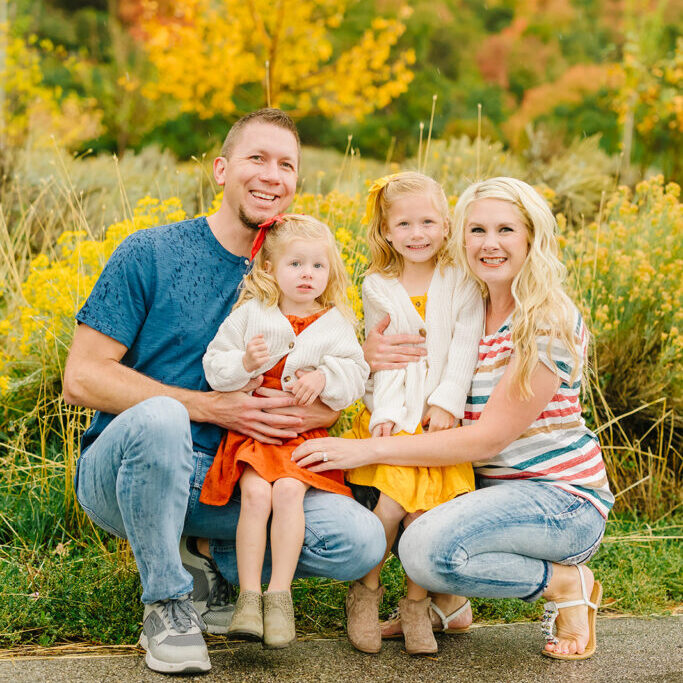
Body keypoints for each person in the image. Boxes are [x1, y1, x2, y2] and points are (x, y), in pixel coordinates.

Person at [62, 109, 385, 674]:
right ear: (221, 169)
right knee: (163, 416)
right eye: (256, 158)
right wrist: (212, 406)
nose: (271, 175)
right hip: (130, 471)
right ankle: (167, 601)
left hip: (237, 475)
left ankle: (212, 566)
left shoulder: (303, 270)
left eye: (286, 164)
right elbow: (81, 378)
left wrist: (326, 396)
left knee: (357, 540)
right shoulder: (152, 252)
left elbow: (331, 375)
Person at [293, 176, 614, 661]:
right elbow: (404, 368)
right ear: (459, 236)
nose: (489, 244)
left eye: (505, 230)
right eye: (477, 230)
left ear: (531, 237)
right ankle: (449, 605)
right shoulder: (466, 301)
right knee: (405, 496)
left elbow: (486, 440)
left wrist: (368, 448)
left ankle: (567, 582)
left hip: (558, 499)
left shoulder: (544, 318)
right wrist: (370, 356)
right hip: (488, 490)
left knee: (425, 548)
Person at [199, 214, 369, 649]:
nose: (308, 275)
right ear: (270, 269)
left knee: (289, 494)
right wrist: (245, 364)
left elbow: (356, 373)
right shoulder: (251, 314)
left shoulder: (334, 322)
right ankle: (248, 599)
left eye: (318, 266)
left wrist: (326, 379)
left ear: (330, 272)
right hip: (256, 432)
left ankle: (279, 597)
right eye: (296, 264)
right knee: (256, 495)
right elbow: (215, 367)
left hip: (299, 435)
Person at [342, 172, 483, 656]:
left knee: (425, 515)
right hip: (398, 416)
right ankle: (365, 593)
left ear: (446, 225)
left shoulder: (461, 279)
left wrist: (444, 403)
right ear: (385, 230)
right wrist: (386, 412)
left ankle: (416, 603)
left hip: (441, 418)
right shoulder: (378, 284)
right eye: (403, 223)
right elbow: (389, 362)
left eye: (427, 222)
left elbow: (464, 347)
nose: (416, 233)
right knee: (389, 507)